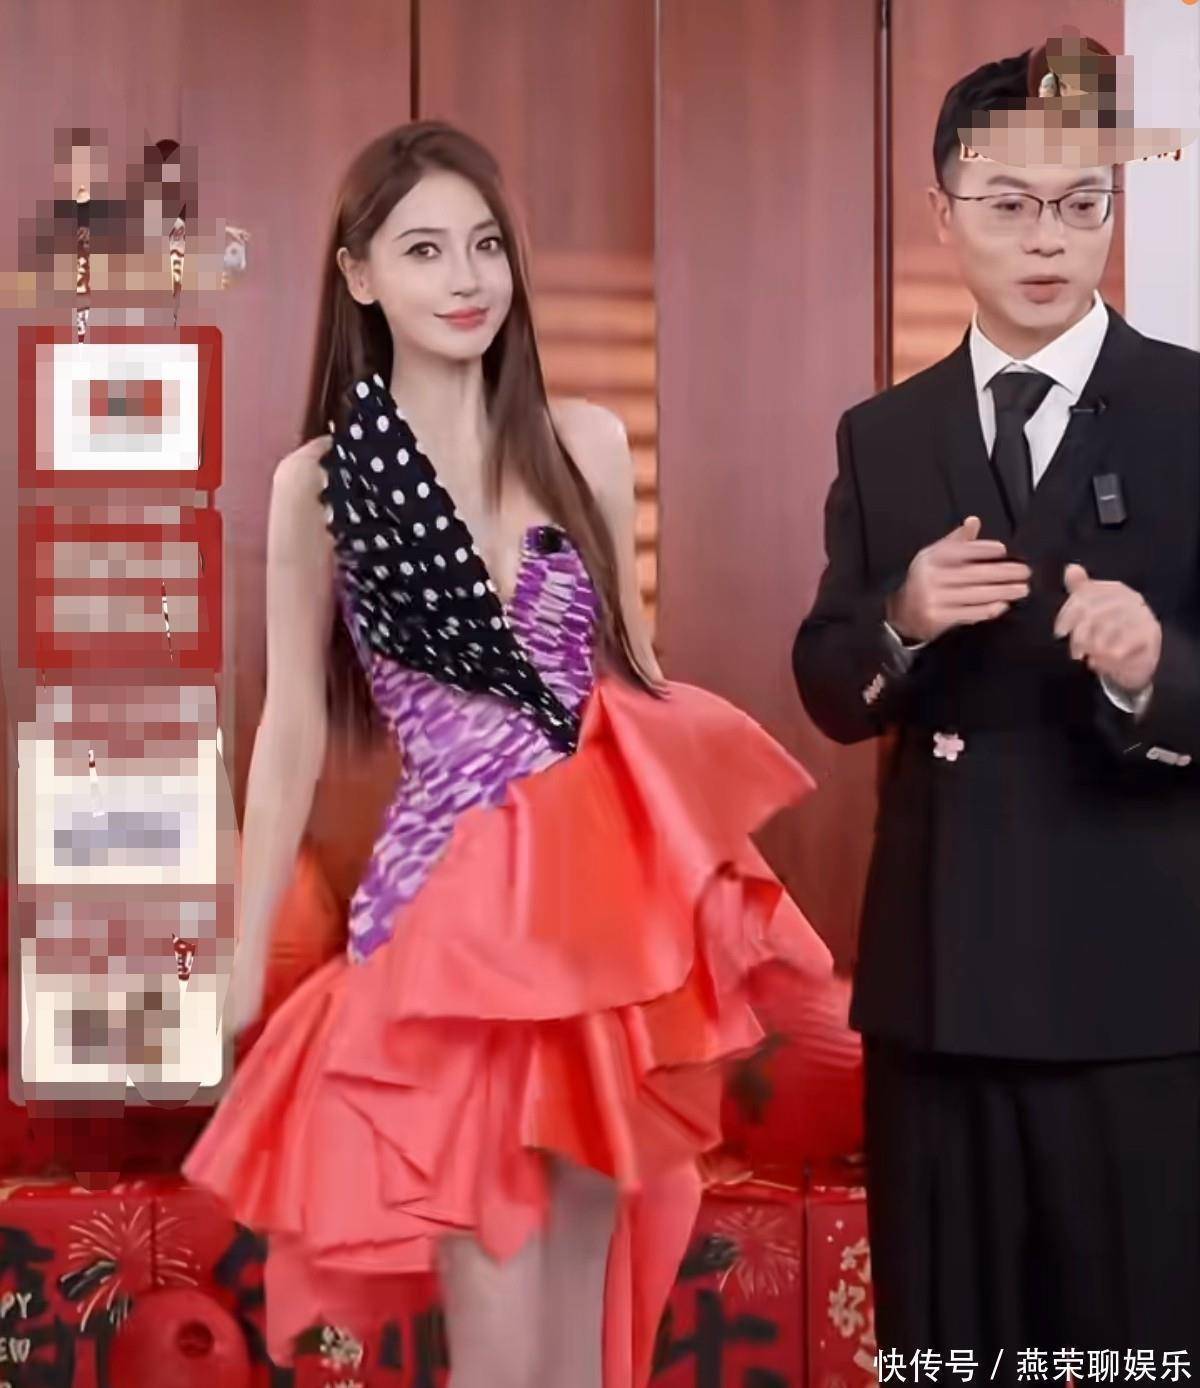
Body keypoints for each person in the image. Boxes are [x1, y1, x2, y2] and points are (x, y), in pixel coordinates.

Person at [184, 121, 832, 1388]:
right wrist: (243, 953)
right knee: (494, 1325)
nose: (466, 277)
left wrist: (697, 888)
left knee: (579, 1320)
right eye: (424, 250)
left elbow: (635, 681)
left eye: (484, 245)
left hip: (590, 924)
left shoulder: (583, 441)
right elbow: (291, 732)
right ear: (358, 274)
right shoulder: (319, 484)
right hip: (444, 926)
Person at [792, 39, 1200, 1371]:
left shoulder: (1189, 410)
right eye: (1010, 203)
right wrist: (902, 618)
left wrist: (1153, 666)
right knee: (948, 1347)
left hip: (1143, 989)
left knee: (1137, 1344)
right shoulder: (886, 433)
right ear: (944, 211)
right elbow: (829, 681)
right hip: (941, 980)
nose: (1048, 237)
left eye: (1081, 202)